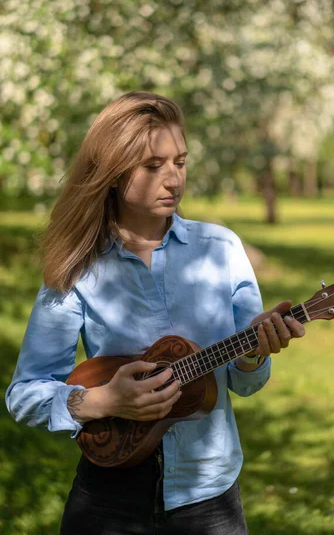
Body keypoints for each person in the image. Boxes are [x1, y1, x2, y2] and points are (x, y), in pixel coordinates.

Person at [6, 91, 306, 535]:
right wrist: (102, 401)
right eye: (153, 166)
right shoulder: (78, 267)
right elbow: (24, 393)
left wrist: (253, 353)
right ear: (111, 172)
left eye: (180, 162)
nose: (173, 179)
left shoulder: (221, 250)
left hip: (209, 499)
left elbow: (245, 383)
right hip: (109, 500)